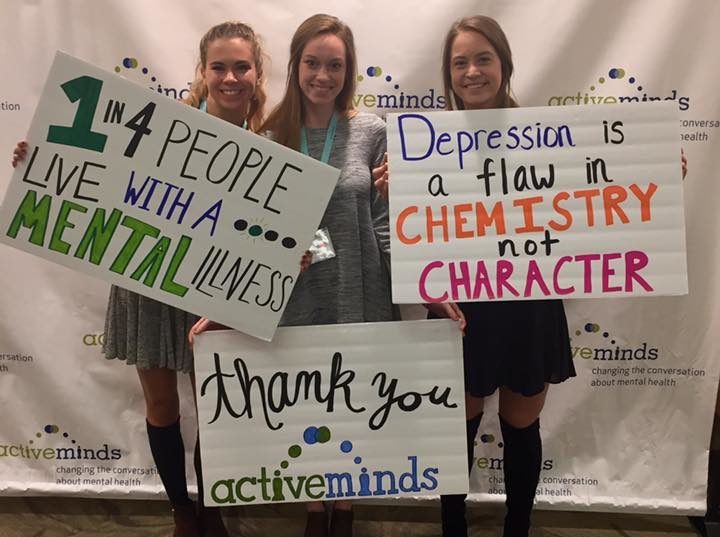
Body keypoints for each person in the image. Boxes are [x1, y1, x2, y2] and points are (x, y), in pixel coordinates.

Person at [371, 15, 689, 537]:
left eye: (483, 58)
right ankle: (454, 526)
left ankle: (518, 526)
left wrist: (651, 172)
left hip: (528, 307)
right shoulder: (424, 148)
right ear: (449, 75)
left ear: (504, 64)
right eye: (460, 63)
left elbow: (598, 206)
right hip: (459, 309)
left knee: (522, 428)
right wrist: (397, 193)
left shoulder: (549, 138)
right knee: (459, 429)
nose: (472, 71)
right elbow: (412, 235)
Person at [12, 20, 268, 537]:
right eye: (219, 66)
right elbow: (95, 170)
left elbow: (296, 227)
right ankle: (182, 512)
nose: (230, 77)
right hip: (148, 280)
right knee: (161, 405)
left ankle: (214, 509)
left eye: (241, 66)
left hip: (221, 291)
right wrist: (41, 160)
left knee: (219, 409)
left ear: (257, 74)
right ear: (202, 71)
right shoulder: (157, 128)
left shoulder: (269, 146)